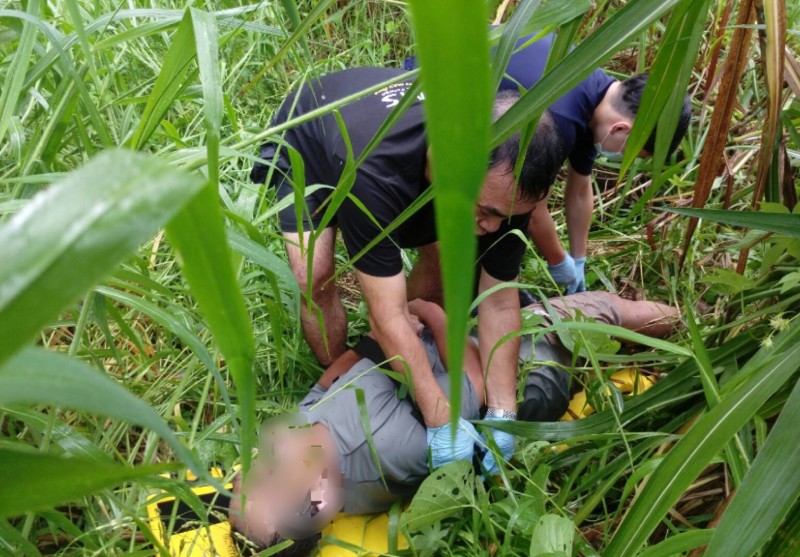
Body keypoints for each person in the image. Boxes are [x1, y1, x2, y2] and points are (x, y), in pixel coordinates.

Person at [251, 67, 566, 473]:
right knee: (315, 277)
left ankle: (411, 351)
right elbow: (386, 315)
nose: (493, 227)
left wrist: (503, 412)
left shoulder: (508, 187)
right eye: (486, 211)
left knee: (444, 258)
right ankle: (339, 370)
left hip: (412, 164)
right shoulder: (374, 169)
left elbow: (500, 302)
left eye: (507, 216)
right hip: (313, 138)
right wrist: (440, 419)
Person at [227, 292, 678, 556]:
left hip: (442, 349)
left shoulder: (301, 430)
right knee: (605, 312)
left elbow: (334, 376)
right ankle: (690, 323)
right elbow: (478, 383)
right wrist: (434, 315)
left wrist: (388, 332)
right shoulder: (389, 450)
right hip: (519, 369)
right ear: (320, 496)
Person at [404, 33, 692, 294]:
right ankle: (401, 330)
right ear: (621, 130)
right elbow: (527, 202)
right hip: (416, 114)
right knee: (451, 257)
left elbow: (580, 190)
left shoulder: (591, 86)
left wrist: (578, 258)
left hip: (443, 102)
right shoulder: (559, 117)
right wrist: (557, 260)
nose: (622, 159)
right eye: (630, 154)